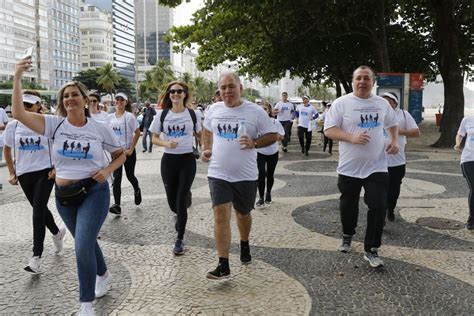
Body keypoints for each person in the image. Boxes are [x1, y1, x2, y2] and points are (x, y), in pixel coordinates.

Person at [12, 57, 126, 315]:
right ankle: (103, 274)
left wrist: (106, 170)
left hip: (94, 192)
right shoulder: (54, 124)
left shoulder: (100, 128)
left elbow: (121, 154)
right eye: (66, 96)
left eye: (75, 94)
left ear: (85, 100)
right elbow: (18, 113)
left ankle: (85, 303)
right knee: (84, 241)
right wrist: (17, 76)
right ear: (62, 102)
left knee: (82, 244)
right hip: (64, 195)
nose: (70, 99)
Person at [201, 72, 277, 279]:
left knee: (243, 213)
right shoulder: (213, 110)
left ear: (240, 88)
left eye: (231, 86)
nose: (227, 91)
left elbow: (272, 135)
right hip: (218, 173)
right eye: (223, 87)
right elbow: (206, 131)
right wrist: (206, 149)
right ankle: (223, 264)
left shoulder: (254, 111)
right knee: (220, 215)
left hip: (246, 175)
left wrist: (255, 143)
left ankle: (244, 243)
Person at [324, 66, 399, 268]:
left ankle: (372, 249)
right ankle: (348, 234)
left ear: (373, 82)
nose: (362, 82)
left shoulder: (382, 104)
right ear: (352, 81)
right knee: (348, 204)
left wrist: (394, 140)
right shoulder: (342, 103)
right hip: (349, 167)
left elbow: (392, 123)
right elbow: (329, 130)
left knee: (378, 204)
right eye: (359, 78)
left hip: (377, 165)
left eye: (367, 78)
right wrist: (351, 137)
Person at [4, 90, 66, 274]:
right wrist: (11, 172)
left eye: (30, 105)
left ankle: (36, 258)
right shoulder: (13, 126)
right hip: (24, 173)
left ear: (39, 105)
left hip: (45, 172)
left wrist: (56, 167)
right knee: (39, 209)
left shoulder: (47, 123)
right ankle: (56, 232)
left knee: (38, 211)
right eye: (23, 104)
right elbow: (7, 150)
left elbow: (61, 145)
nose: (25, 108)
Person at [149, 81, 201, 255]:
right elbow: (154, 138)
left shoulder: (193, 114)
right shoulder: (162, 115)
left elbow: (200, 134)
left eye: (179, 91)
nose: (175, 94)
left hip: (187, 159)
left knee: (180, 199)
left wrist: (205, 149)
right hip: (168, 161)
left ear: (185, 94)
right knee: (172, 202)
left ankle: (179, 238)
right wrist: (166, 143)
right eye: (172, 91)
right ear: (169, 94)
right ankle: (182, 206)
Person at [381, 92, 420, 222]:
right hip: (377, 161)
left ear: (395, 103)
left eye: (388, 100)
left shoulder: (403, 114)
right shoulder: (376, 113)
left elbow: (416, 132)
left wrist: (398, 131)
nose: (385, 103)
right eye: (383, 100)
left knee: (394, 188)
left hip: (397, 161)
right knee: (378, 189)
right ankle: (381, 213)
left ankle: (390, 208)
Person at [108, 93, 142, 216]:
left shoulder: (129, 117)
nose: (119, 102)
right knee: (116, 179)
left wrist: (131, 149)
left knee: (130, 175)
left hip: (128, 152)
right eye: (117, 99)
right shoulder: (109, 118)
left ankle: (137, 189)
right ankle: (117, 205)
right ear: (114, 102)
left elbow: (137, 133)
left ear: (126, 102)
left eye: (122, 100)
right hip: (116, 153)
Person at [256, 102, 285, 206]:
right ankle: (261, 197)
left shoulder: (275, 122)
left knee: (270, 174)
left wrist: (273, 137)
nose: (262, 111)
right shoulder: (255, 123)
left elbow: (282, 136)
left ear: (269, 111)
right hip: (260, 152)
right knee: (261, 174)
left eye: (265, 109)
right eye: (260, 109)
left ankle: (268, 193)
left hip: (273, 152)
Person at [454, 117, 474, 230]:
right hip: (468, 159)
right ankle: (472, 219)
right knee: (473, 187)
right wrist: (458, 143)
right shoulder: (468, 120)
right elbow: (460, 134)